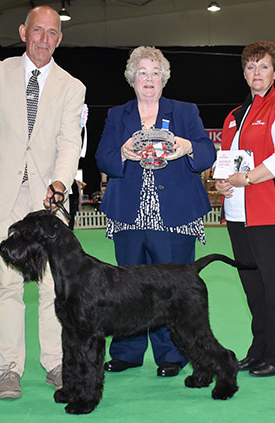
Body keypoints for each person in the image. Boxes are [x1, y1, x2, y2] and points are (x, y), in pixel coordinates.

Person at [95, 46, 216, 377]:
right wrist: (120, 152)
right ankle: (127, 352)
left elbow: (206, 154)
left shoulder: (185, 111)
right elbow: (102, 158)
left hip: (174, 214)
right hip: (128, 215)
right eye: (142, 72)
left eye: (155, 72)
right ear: (132, 79)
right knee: (127, 288)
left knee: (171, 288)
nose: (148, 79)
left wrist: (189, 146)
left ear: (164, 78)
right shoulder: (117, 115)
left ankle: (172, 355)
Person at [0, 5, 86, 399]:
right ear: (23, 32)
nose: (43, 39)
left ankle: (56, 362)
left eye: (51, 33)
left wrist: (60, 184)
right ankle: (9, 369)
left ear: (59, 39)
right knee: (8, 285)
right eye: (37, 31)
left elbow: (69, 142)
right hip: (2, 196)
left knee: (52, 287)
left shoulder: (72, 86)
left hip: (48, 203)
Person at [215, 41, 275, 377]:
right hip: (237, 215)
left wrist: (246, 178)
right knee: (253, 290)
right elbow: (227, 162)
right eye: (250, 67)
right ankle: (259, 349)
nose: (255, 73)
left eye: (263, 67)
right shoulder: (233, 117)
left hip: (271, 215)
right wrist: (224, 182)